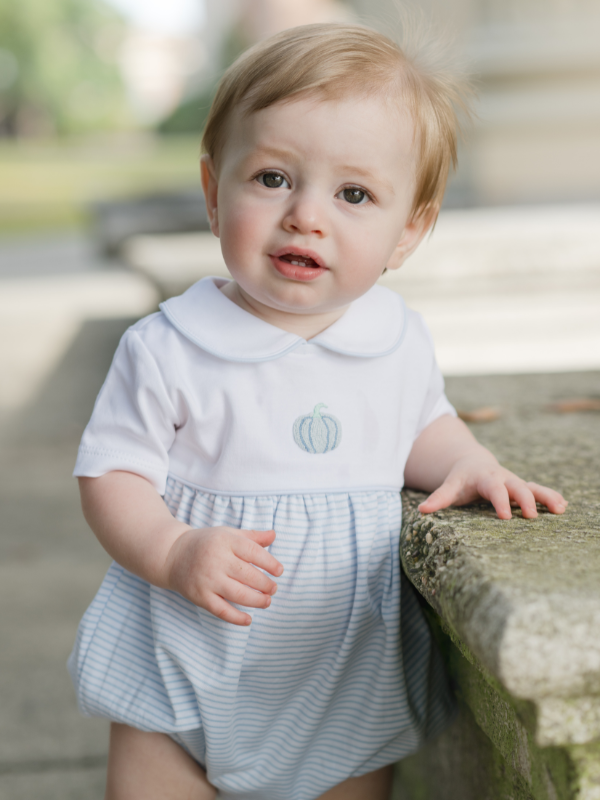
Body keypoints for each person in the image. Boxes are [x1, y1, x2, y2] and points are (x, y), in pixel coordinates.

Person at [68, 22, 567, 800]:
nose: (306, 214)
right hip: (184, 652)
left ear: (409, 231)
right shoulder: (169, 346)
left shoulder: (393, 339)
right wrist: (172, 550)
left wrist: (469, 461)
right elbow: (112, 473)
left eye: (354, 194)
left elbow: (419, 424)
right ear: (212, 191)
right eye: (272, 178)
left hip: (339, 673)